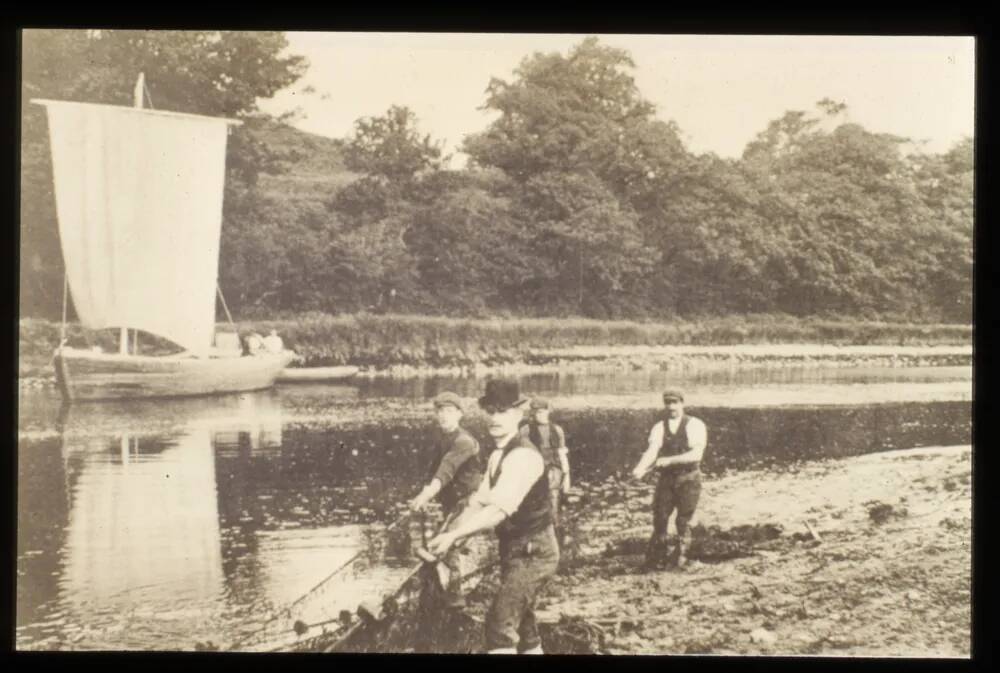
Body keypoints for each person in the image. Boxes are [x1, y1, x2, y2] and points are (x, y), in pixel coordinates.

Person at [427, 380, 558, 655]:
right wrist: (448, 536)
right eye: (491, 412)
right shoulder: (498, 455)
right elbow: (478, 502)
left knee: (499, 628)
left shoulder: (523, 455)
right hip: (515, 551)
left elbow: (498, 511)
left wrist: (454, 535)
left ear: (518, 415)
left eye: (504, 412)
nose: (495, 419)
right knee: (524, 626)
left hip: (535, 552)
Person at [409, 391, 482, 607]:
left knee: (450, 544)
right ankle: (439, 592)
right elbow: (434, 471)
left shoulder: (464, 441)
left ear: (459, 414)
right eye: (440, 411)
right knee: (434, 546)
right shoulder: (442, 439)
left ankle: (456, 597)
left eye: (449, 411)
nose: (444, 416)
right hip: (451, 503)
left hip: (470, 501)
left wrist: (426, 495)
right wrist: (420, 496)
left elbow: (446, 471)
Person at [630, 389, 707, 571]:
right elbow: (652, 451)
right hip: (667, 480)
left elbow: (697, 454)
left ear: (682, 403)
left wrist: (670, 460)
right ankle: (657, 558)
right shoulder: (659, 427)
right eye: (668, 403)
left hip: (689, 478)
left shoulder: (695, 425)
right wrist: (639, 468)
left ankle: (683, 559)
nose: (671, 407)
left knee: (683, 520)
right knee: (660, 517)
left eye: (674, 402)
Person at [519, 398, 570, 534]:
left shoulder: (556, 430)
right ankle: (533, 529)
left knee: (553, 498)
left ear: (547, 412)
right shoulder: (526, 430)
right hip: (534, 469)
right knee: (534, 500)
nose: (539, 415)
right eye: (535, 413)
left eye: (542, 412)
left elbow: (561, 453)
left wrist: (567, 475)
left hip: (553, 469)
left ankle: (554, 527)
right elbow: (522, 454)